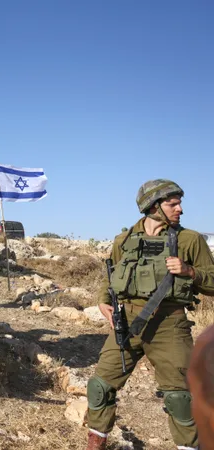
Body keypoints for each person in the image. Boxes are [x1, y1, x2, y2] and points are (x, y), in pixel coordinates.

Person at [85, 179, 214, 450]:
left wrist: (190, 271)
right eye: (173, 204)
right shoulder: (124, 240)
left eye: (179, 203)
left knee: (181, 399)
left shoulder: (190, 240)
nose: (180, 209)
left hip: (170, 324)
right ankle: (95, 444)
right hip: (127, 322)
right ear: (154, 206)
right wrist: (103, 301)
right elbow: (111, 275)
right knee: (99, 387)